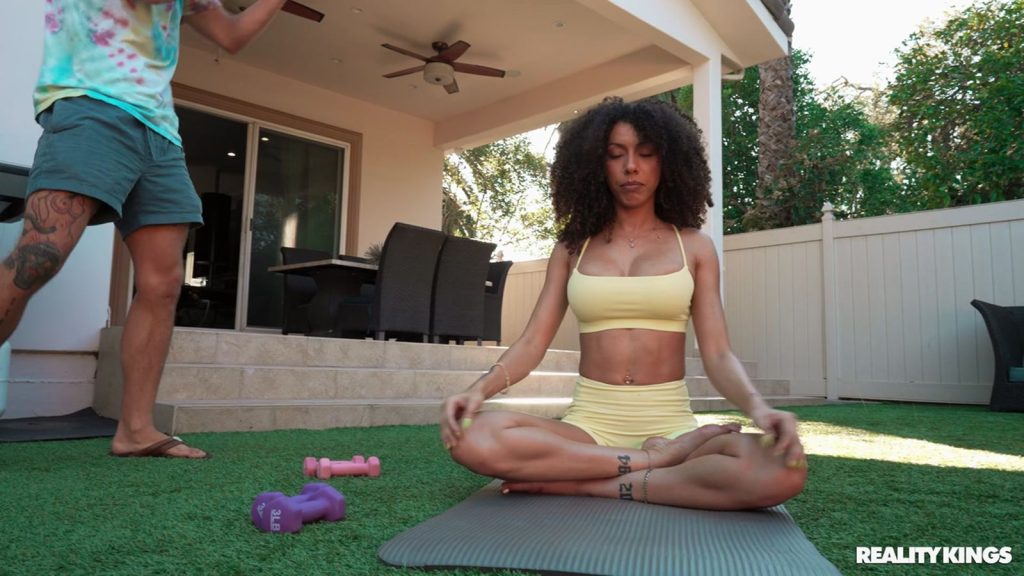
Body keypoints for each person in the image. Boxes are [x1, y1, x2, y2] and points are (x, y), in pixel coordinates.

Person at [440, 97, 807, 510]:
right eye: (616, 155)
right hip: (589, 427)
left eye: (646, 154)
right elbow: (532, 343)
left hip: (672, 424)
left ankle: (589, 483)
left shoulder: (696, 248)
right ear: (598, 164)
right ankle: (653, 465)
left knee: (783, 469)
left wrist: (759, 410)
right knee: (475, 438)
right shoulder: (571, 248)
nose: (631, 166)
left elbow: (718, 353)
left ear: (667, 163)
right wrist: (478, 390)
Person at [0, 0, 287, 458]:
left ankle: (135, 429)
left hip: (159, 130)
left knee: (164, 283)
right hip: (89, 104)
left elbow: (231, 35)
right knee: (41, 254)